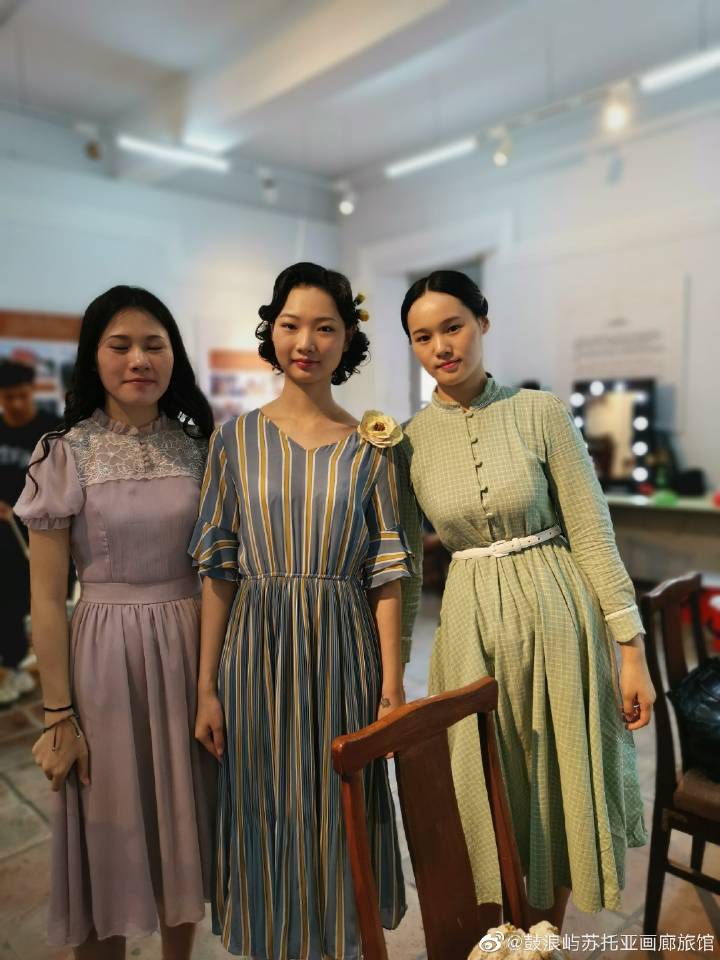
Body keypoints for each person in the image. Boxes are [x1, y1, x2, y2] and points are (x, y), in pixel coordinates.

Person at [397, 270, 656, 928]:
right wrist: (393, 671)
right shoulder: (407, 441)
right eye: (422, 337)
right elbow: (403, 567)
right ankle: (506, 929)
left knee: (562, 783)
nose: (440, 347)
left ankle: (548, 933)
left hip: (560, 617)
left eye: (453, 327)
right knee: (485, 786)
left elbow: (592, 531)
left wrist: (630, 650)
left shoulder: (541, 413)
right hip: (469, 630)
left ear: (482, 322)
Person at [190, 262, 409, 960]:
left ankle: (339, 940)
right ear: (272, 332)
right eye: (291, 325)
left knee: (339, 805)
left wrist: (392, 687)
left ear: (348, 340)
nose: (306, 342)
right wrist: (205, 687)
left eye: (324, 328)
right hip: (255, 653)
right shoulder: (233, 441)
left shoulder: (373, 446)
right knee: (264, 804)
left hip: (345, 649)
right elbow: (219, 571)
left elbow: (387, 573)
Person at [14, 286, 216, 959]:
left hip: (189, 651)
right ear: (92, 357)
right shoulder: (64, 452)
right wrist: (57, 712)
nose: (139, 360)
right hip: (103, 658)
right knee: (110, 829)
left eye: (154, 345)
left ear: (173, 355)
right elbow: (48, 598)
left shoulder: (200, 447)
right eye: (121, 345)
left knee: (184, 824)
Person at [0, 360, 60, 705]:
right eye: (8, 397)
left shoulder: (52, 431)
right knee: (7, 604)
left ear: (33, 391)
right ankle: (13, 667)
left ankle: (51, 673)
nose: (17, 404)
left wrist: (25, 507)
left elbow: (64, 486)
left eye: (22, 395)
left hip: (43, 535)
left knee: (41, 604)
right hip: (5, 539)